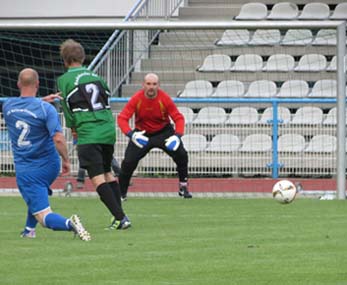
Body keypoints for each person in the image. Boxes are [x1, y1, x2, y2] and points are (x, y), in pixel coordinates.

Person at [3, 68, 91, 241]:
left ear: (18, 84)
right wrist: (66, 160)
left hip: (28, 168)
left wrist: (40, 101)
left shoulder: (8, 106)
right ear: (38, 84)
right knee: (37, 195)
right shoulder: (46, 110)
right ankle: (29, 230)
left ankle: (70, 223)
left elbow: (24, 107)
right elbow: (58, 138)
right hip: (50, 165)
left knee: (43, 216)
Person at [57, 39, 130, 230]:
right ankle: (119, 217)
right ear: (82, 57)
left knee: (96, 177)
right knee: (108, 173)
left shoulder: (64, 80)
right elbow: (106, 99)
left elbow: (67, 109)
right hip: (107, 130)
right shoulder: (97, 77)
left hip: (89, 132)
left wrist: (73, 129)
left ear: (65, 60)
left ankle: (121, 217)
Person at [117, 73, 192, 199]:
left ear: (158, 85)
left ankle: (183, 186)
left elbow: (178, 118)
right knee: (128, 162)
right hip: (142, 134)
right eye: (148, 84)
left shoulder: (165, 99)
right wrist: (131, 135)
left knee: (182, 155)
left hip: (164, 132)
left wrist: (177, 136)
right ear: (143, 85)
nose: (151, 87)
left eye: (154, 84)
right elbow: (122, 118)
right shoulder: (136, 99)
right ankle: (121, 193)